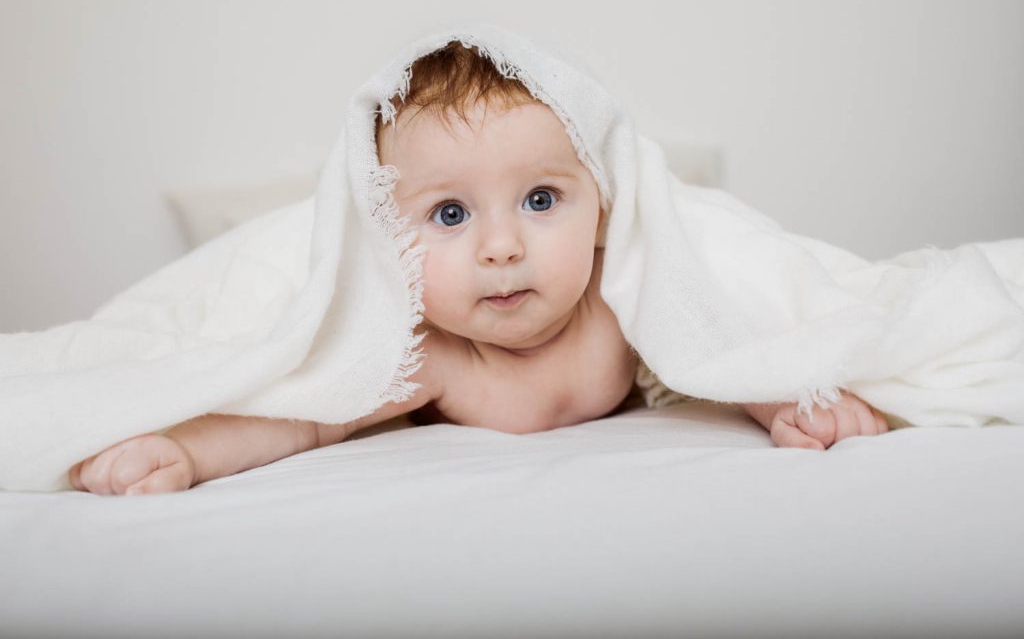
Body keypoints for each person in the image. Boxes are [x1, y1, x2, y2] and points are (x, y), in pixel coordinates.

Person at [69, 42, 889, 496]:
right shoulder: (432, 356)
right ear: (392, 241)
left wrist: (799, 399)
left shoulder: (619, 296)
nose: (501, 247)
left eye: (540, 199)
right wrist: (186, 451)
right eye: (451, 216)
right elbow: (310, 416)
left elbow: (717, 349)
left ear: (602, 205)